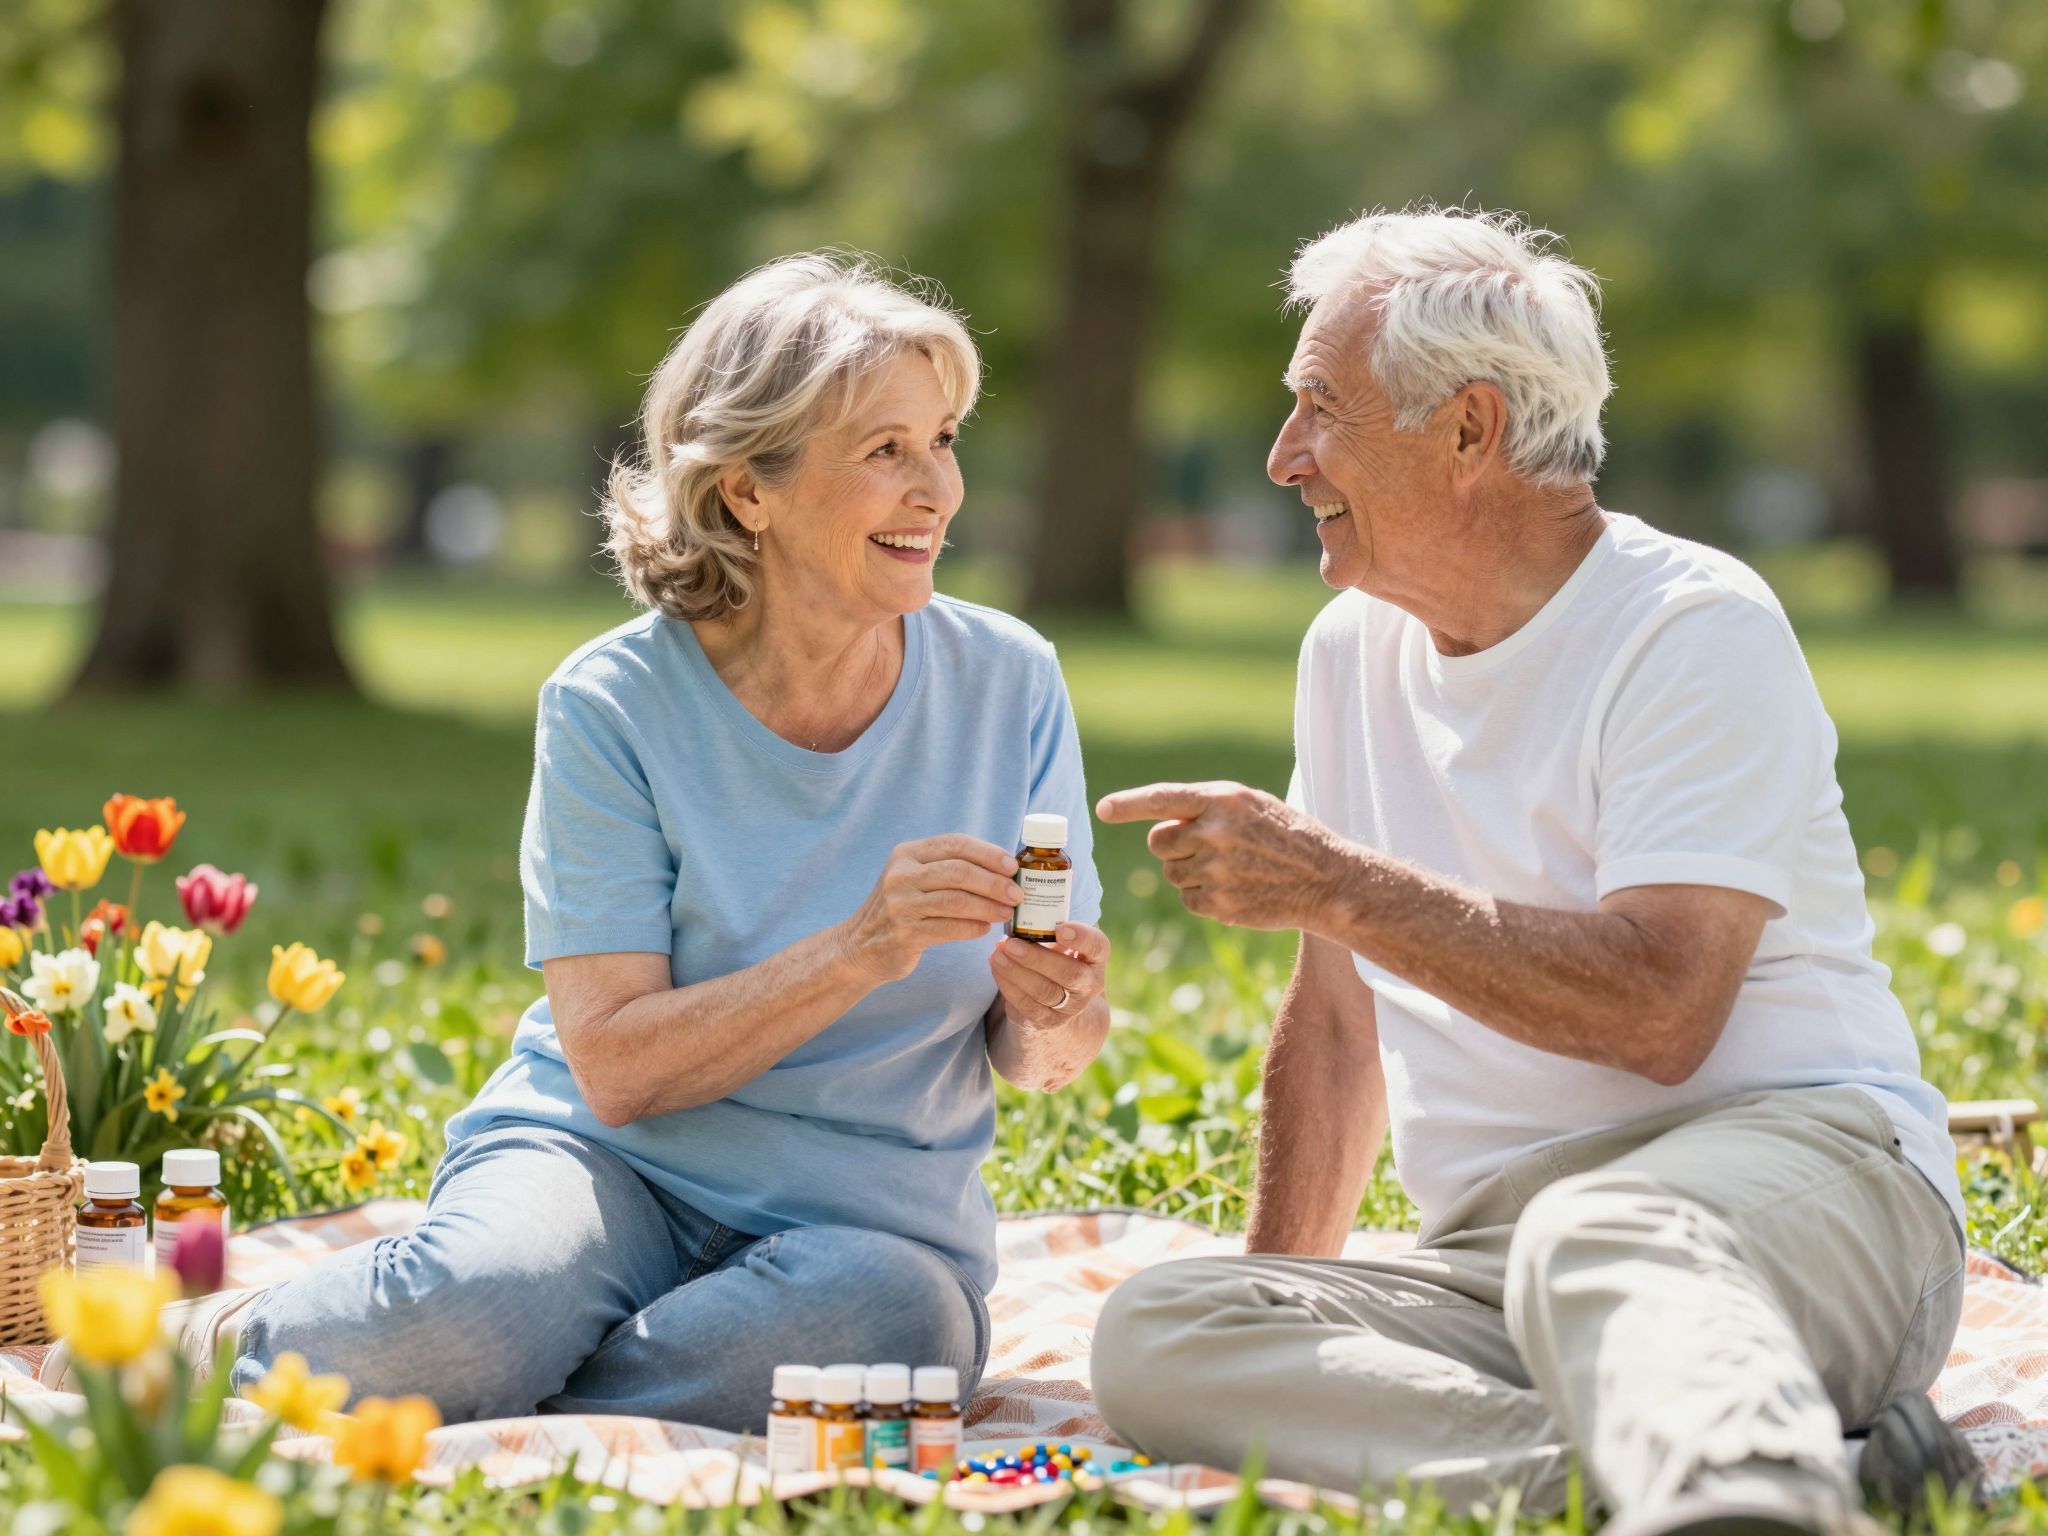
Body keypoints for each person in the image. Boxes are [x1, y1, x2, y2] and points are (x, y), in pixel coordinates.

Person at [1091, 207, 1973, 1536]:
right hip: (1513, 1262)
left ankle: (1746, 1504)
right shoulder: (1350, 650)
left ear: (1469, 430)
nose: (1284, 459)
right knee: (1163, 1329)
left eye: (1319, 410)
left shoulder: (1690, 628)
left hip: (1813, 1194)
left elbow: (1663, 1013)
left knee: (1599, 1230)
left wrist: (1334, 880)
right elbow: (1336, 1029)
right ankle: (1793, 1483)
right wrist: (1281, 1306)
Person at [222, 252, 1113, 1429]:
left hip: (866, 1222)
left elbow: (1042, 1053)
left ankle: (508, 1382)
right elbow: (616, 1069)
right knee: (480, 1308)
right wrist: (860, 947)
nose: (938, 491)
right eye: (885, 452)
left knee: (890, 1330)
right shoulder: (612, 703)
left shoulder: (1011, 682)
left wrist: (1056, 1010)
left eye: (942, 439)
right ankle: (236, 1338)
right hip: (604, 1165)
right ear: (748, 489)